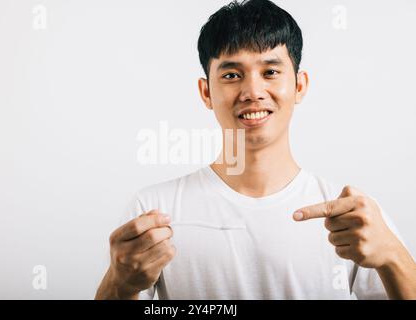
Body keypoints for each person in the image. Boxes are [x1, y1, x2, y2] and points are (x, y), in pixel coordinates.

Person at [95, 0, 416, 299]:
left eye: (270, 72)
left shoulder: (353, 216)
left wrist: (393, 257)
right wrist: (118, 284)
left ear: (300, 85)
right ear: (206, 92)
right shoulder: (153, 212)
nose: (252, 91)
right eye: (232, 75)